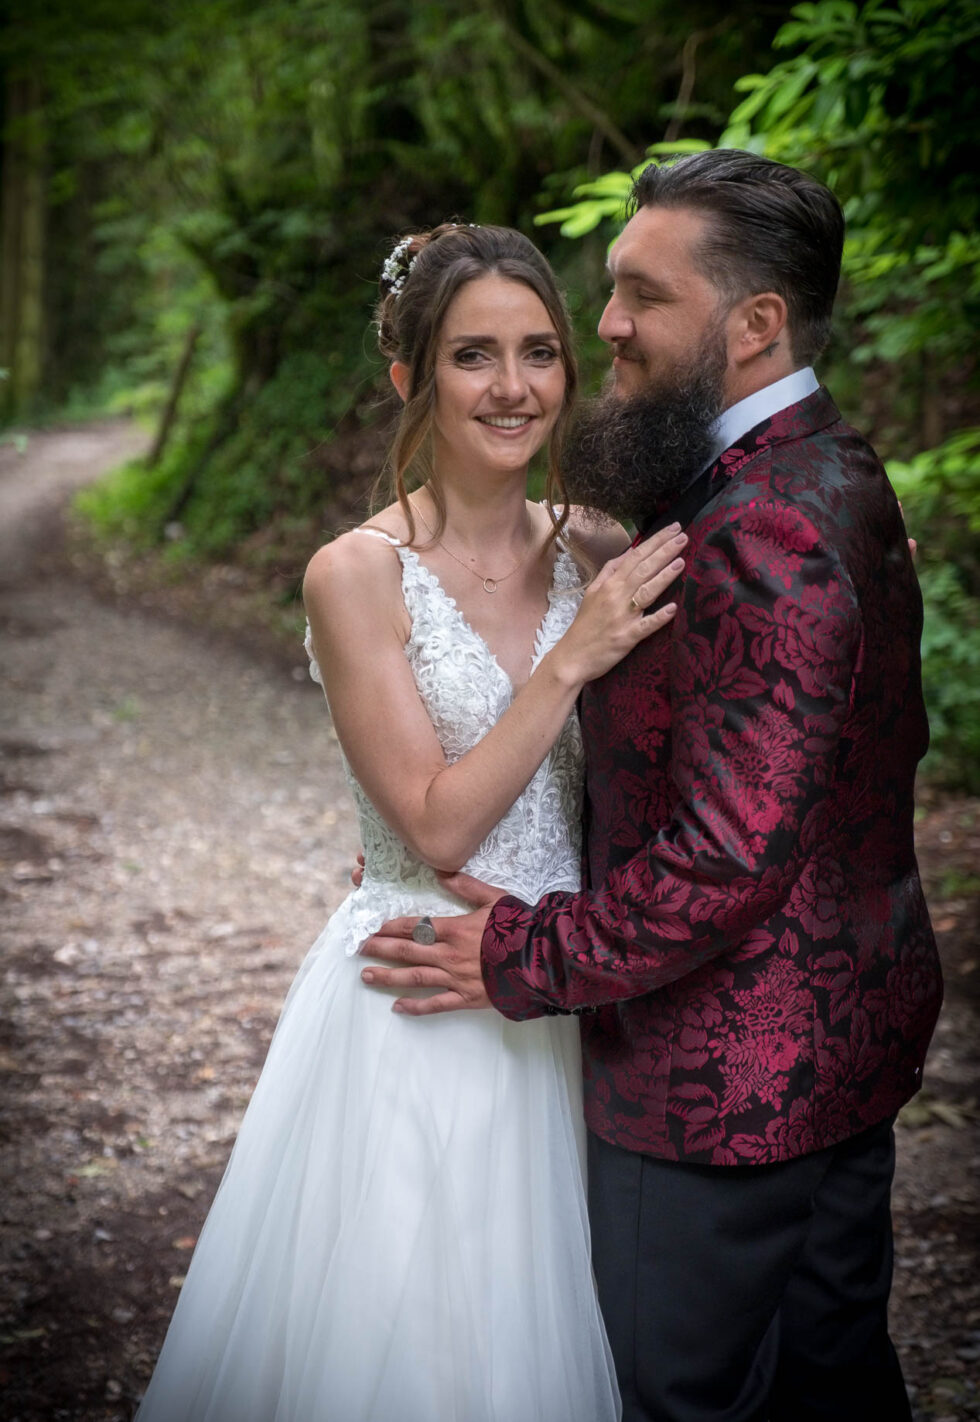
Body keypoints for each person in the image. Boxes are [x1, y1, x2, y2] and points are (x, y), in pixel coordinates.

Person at [360, 154, 945, 1422]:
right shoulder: (816, 475)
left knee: (676, 1398)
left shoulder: (767, 522)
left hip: (716, 1084)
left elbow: (727, 855)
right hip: (835, 1044)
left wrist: (518, 954)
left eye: (640, 296)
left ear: (753, 324)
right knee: (831, 1383)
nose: (606, 325)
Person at [134, 221, 688, 1422]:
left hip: (562, 992)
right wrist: (570, 659)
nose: (511, 387)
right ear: (409, 378)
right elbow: (436, 827)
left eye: (537, 351)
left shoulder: (596, 544)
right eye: (471, 355)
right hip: (420, 998)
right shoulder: (355, 574)